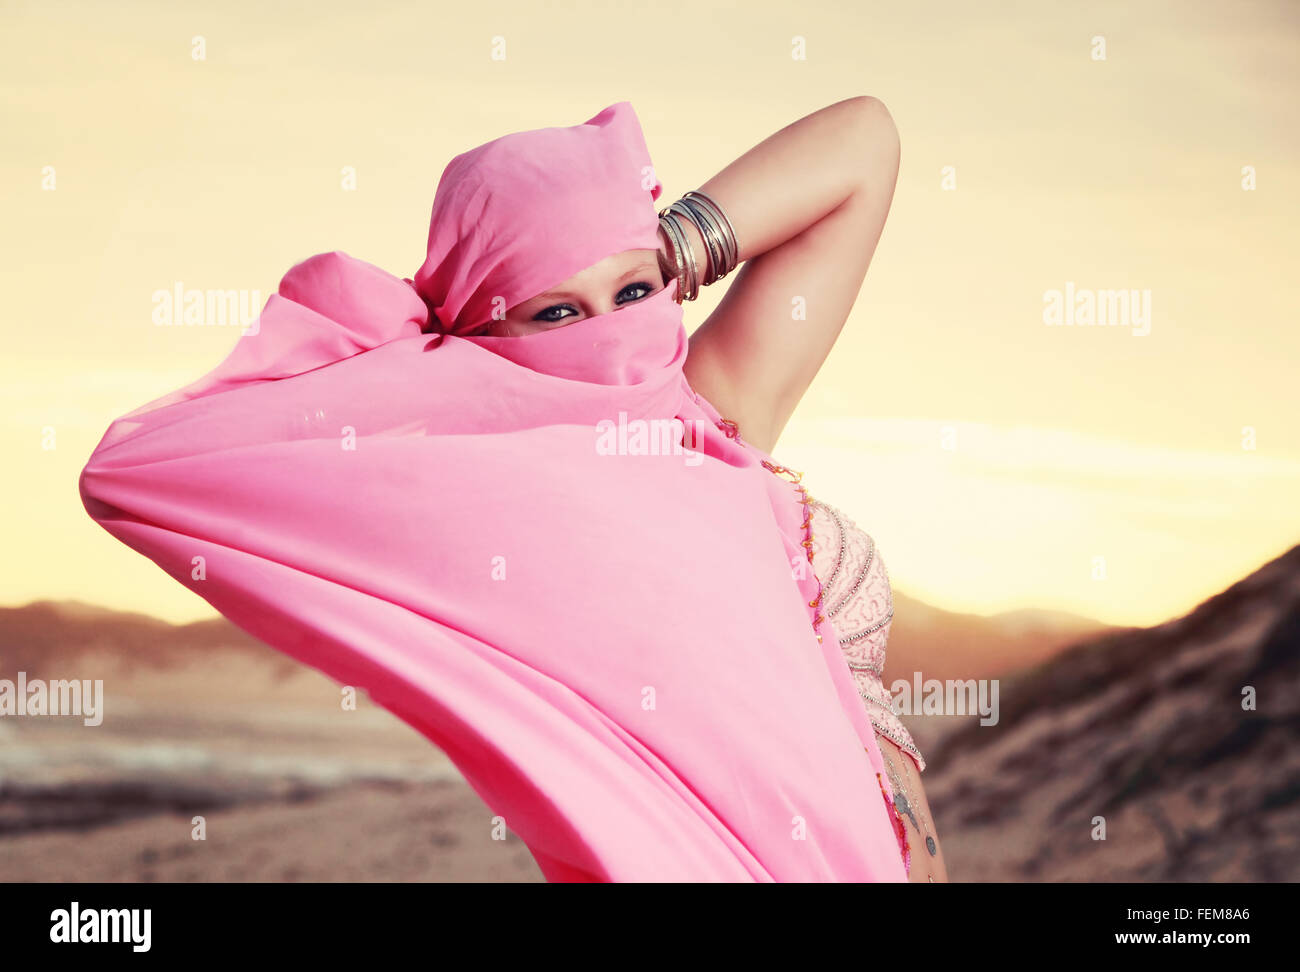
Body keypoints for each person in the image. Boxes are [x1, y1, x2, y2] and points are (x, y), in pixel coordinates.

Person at [80, 99, 933, 882]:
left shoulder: (708, 415)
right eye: (555, 313)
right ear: (481, 335)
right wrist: (436, 366)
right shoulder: (508, 514)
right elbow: (136, 466)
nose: (608, 335)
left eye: (634, 293)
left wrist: (642, 240)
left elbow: (865, 143)